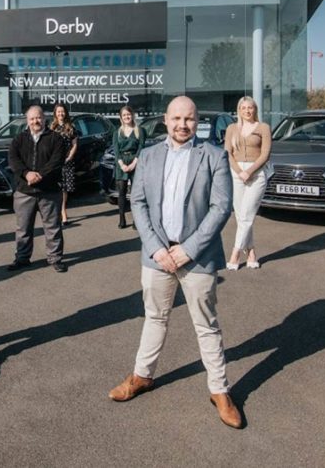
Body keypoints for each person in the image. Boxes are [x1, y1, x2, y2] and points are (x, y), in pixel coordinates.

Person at [108, 96, 242, 429]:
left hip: (196, 257)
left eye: (190, 119)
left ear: (198, 122)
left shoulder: (214, 156)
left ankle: (219, 390)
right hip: (156, 256)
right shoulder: (149, 155)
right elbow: (138, 203)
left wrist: (188, 249)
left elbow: (221, 207)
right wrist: (156, 248)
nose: (183, 125)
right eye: (177, 118)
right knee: (154, 317)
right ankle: (142, 375)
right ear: (166, 120)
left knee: (206, 325)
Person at [7, 105, 68, 273]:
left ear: (44, 119)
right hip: (24, 191)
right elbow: (13, 159)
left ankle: (55, 258)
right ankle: (22, 258)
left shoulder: (56, 139)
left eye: (38, 117)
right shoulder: (19, 139)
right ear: (27, 121)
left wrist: (39, 175)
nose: (36, 121)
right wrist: (26, 174)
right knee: (23, 228)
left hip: (48, 191)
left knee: (52, 227)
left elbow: (57, 161)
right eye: (32, 118)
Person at [223, 96, 272, 270]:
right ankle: (251, 252)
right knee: (241, 217)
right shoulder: (231, 128)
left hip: (256, 175)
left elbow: (265, 154)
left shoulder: (263, 128)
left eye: (250, 108)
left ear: (255, 109)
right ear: (239, 110)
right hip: (236, 174)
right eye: (243, 108)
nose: (247, 111)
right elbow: (227, 153)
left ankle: (235, 254)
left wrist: (249, 172)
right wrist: (239, 172)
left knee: (247, 216)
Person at [111, 105, 146, 229]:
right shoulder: (117, 132)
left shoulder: (139, 130)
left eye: (128, 114)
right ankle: (122, 219)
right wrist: (122, 165)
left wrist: (133, 164)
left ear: (132, 115)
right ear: (121, 117)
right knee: (122, 192)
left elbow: (141, 147)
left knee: (136, 194)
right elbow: (116, 151)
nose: (127, 117)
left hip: (136, 162)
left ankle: (137, 221)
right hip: (121, 164)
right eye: (124, 115)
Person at [51, 103, 79, 224]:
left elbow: (75, 144)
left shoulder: (71, 127)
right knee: (56, 187)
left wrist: (70, 157)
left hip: (67, 162)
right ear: (55, 113)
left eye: (62, 111)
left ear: (65, 113)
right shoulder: (51, 127)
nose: (60, 114)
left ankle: (63, 212)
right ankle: (56, 212)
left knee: (64, 189)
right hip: (55, 162)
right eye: (58, 112)